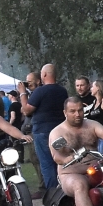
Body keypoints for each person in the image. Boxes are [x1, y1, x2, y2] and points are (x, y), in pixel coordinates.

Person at [18, 64, 68, 193]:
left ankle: (53, 193)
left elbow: (26, 110)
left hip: (42, 131)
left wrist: (23, 93)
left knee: (47, 163)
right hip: (60, 130)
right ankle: (66, 188)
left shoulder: (40, 91)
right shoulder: (62, 91)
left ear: (44, 74)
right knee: (62, 160)